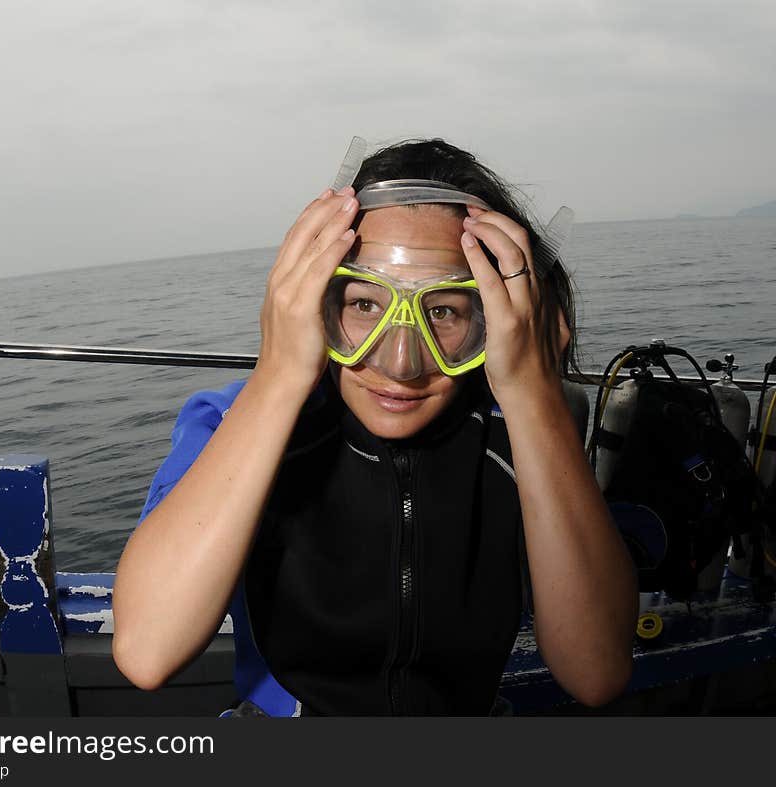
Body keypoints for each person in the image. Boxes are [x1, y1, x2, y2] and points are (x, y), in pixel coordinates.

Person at [112, 138, 639, 716]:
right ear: (316, 303)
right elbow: (147, 651)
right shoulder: (233, 423)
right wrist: (279, 376)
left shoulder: (520, 437)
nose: (400, 364)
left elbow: (597, 672)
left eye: (443, 311)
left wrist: (535, 396)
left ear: (495, 320)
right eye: (366, 304)